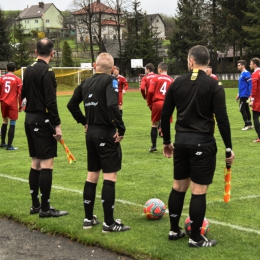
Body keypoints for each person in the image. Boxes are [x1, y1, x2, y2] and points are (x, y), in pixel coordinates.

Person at [161, 45, 234, 248]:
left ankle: (174, 230)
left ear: (190, 61)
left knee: (178, 187)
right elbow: (223, 119)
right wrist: (229, 148)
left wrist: (167, 142)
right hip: (203, 142)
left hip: (182, 142)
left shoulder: (177, 83)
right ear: (208, 63)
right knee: (198, 191)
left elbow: (165, 115)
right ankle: (195, 238)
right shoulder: (214, 85)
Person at [67, 52, 130, 233]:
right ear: (112, 68)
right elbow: (112, 105)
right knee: (109, 176)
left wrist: (84, 121)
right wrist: (121, 128)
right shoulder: (111, 80)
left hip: (91, 133)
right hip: (105, 133)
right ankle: (109, 224)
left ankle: (88, 219)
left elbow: (72, 105)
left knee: (92, 175)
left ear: (95, 65)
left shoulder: (85, 82)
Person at [22, 38, 68, 218]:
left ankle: (36, 205)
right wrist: (57, 125)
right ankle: (45, 208)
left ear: (35, 52)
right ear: (52, 53)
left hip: (29, 118)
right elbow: (51, 101)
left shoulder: (29, 70)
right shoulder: (48, 71)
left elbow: (23, 96)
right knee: (47, 163)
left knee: (35, 162)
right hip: (42, 120)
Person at [147, 62, 174, 152]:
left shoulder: (155, 78)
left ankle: (154, 146)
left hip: (157, 103)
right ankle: (167, 144)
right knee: (166, 124)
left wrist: (150, 102)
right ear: (167, 69)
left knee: (154, 124)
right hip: (167, 104)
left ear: (159, 69)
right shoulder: (171, 80)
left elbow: (150, 91)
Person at [0, 62, 22, 150]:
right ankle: (9, 146)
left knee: (5, 121)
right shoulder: (17, 79)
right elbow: (20, 94)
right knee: (12, 123)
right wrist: (21, 106)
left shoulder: (1, 78)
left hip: (3, 102)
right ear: (15, 69)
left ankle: (2, 143)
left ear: (6, 69)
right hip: (12, 103)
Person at [236, 60, 253, 130]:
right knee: (246, 109)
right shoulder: (242, 74)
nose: (238, 66)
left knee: (241, 109)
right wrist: (238, 94)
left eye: (239, 65)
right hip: (242, 94)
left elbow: (250, 84)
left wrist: (250, 94)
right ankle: (250, 124)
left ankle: (247, 125)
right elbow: (242, 86)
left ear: (243, 65)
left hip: (245, 95)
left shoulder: (246, 73)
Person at [249, 57, 260, 142]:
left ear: (254, 64)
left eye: (251, 63)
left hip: (257, 99)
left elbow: (254, 88)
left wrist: (252, 99)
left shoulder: (255, 74)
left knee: (255, 118)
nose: (250, 65)